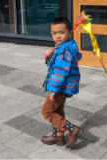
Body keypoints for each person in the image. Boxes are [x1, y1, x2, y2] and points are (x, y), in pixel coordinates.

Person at [41, 17, 83, 148]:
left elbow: (60, 73)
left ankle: (72, 130)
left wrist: (53, 90)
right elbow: (55, 66)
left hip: (59, 88)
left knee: (47, 112)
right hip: (63, 87)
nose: (58, 36)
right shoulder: (65, 47)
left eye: (61, 32)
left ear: (70, 33)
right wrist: (50, 57)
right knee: (58, 111)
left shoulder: (64, 51)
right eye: (54, 33)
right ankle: (58, 137)